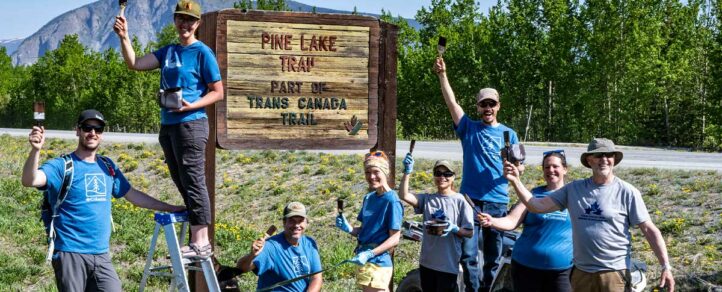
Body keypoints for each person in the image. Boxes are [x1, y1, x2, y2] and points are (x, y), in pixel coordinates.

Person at [21, 109, 185, 291]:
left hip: (101, 254)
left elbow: (133, 195)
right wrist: (35, 151)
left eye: (98, 129)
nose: (92, 133)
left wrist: (171, 208)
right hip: (70, 252)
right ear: (77, 130)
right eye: (87, 128)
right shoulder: (62, 166)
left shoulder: (107, 166)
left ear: (102, 134)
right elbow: (30, 180)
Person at [113, 0, 224, 257]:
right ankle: (195, 231)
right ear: (175, 21)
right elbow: (135, 64)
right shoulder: (169, 51)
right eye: (180, 19)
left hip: (192, 123)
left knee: (194, 179)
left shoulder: (202, 53)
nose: (185, 24)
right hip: (169, 125)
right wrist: (124, 37)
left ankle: (201, 241)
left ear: (198, 24)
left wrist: (192, 105)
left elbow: (218, 92)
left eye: (190, 20)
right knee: (179, 177)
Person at [504, 138, 675, 292]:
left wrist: (665, 266)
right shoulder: (574, 189)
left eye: (609, 155)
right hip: (581, 273)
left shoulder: (628, 192)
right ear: (589, 160)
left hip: (614, 274)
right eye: (598, 155)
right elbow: (537, 206)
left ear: (614, 159)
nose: (604, 159)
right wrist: (515, 181)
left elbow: (649, 230)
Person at [434, 56, 524, 291]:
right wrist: (442, 75)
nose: (488, 108)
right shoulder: (469, 128)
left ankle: (487, 289)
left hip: (497, 202)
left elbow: (520, 166)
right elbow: (451, 103)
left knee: (494, 258)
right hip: (470, 201)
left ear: (498, 106)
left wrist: (515, 170)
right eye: (483, 104)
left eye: (491, 104)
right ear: (477, 107)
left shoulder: (509, 135)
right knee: (469, 255)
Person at [478, 150, 572, 292]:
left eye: (555, 166)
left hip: (562, 271)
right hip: (526, 266)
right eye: (546, 167)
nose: (551, 170)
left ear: (565, 169)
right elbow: (511, 221)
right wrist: (492, 221)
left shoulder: (574, 195)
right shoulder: (532, 195)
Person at [399, 156, 474, 292]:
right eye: (438, 173)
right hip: (427, 263)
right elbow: (404, 195)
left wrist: (454, 228)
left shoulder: (460, 201)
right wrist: (407, 172)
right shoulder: (428, 199)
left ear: (453, 177)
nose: (442, 177)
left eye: (447, 174)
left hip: (448, 266)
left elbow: (469, 232)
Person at [335, 151, 403, 292]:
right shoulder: (369, 198)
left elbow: (395, 238)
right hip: (364, 259)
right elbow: (364, 230)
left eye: (376, 171)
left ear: (385, 172)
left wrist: (370, 253)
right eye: (367, 172)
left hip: (378, 262)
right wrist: (349, 228)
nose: (371, 177)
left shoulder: (392, 200)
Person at [236, 202, 323, 292]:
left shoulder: (309, 243)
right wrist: (252, 255)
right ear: (284, 222)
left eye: (300, 221)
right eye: (292, 220)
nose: (297, 225)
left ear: (306, 223)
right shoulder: (271, 246)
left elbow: (316, 278)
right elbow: (241, 268)